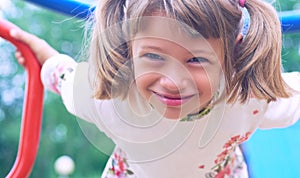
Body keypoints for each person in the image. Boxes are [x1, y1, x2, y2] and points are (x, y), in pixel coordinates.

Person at [10, 0, 300, 177]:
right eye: (154, 56)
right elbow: (65, 77)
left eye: (196, 59)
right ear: (128, 49)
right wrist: (41, 53)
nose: (173, 81)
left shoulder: (250, 95)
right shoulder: (114, 100)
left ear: (232, 54)